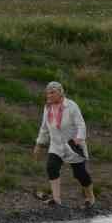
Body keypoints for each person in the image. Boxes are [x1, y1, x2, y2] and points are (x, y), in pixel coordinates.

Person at [33, 81, 96, 209]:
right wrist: (39, 144)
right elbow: (44, 127)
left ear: (60, 93)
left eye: (52, 93)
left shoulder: (71, 106)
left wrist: (79, 137)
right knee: (51, 167)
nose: (49, 96)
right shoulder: (47, 108)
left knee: (80, 173)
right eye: (47, 93)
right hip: (56, 145)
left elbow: (81, 124)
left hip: (72, 145)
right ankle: (57, 200)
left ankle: (90, 197)